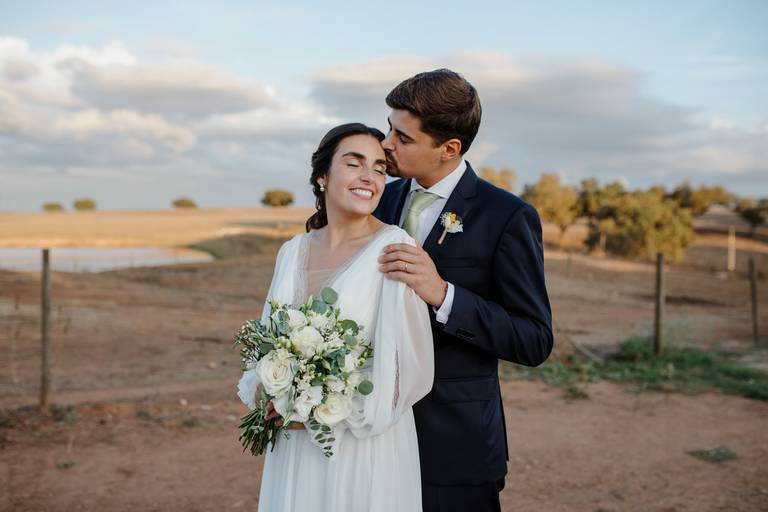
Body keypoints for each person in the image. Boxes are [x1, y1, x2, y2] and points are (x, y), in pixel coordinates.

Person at [373, 69, 554, 512]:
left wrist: (442, 294)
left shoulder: (506, 216)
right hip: (374, 436)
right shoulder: (379, 200)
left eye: (403, 137)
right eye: (389, 129)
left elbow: (534, 339)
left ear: (449, 148)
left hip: (456, 442)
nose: (386, 144)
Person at [237, 123, 435, 511]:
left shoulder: (394, 248)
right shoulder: (292, 251)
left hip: (361, 450)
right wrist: (267, 389)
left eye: (379, 168)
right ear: (322, 176)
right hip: (293, 447)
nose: (369, 177)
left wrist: (318, 413)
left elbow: (409, 371)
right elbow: (264, 344)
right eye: (354, 163)